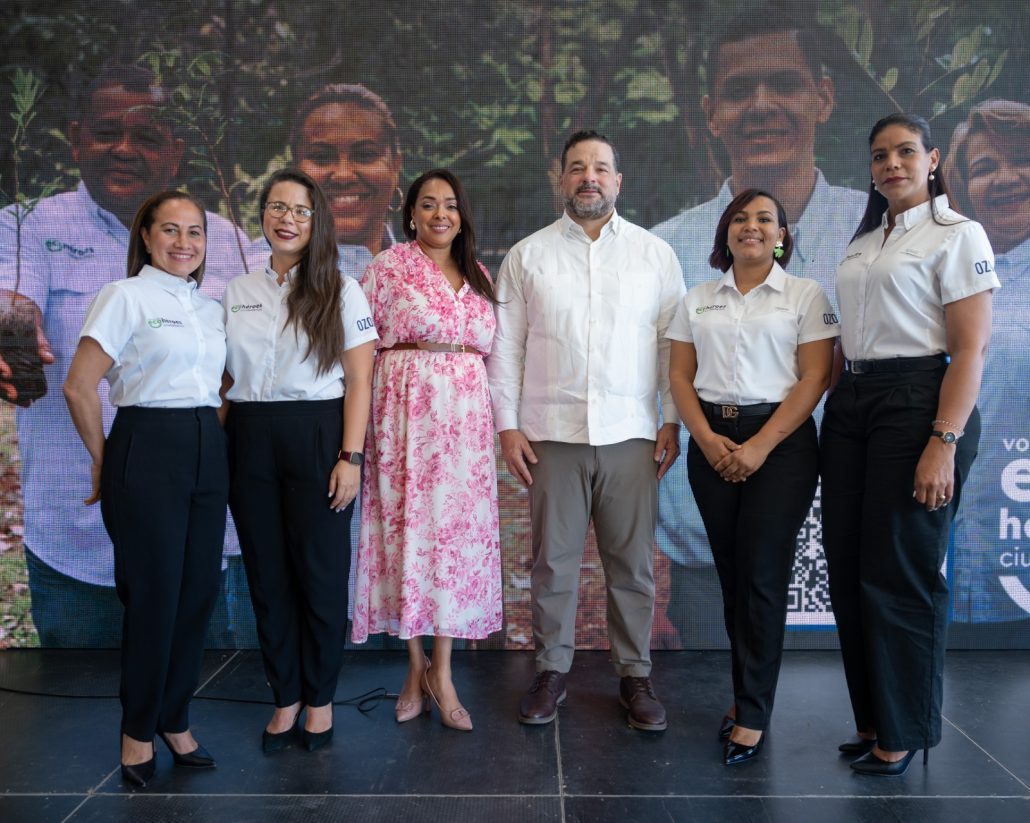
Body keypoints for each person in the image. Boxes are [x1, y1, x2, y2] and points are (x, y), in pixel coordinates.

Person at [0, 63, 260, 648]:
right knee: (78, 717)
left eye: (146, 137)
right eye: (105, 131)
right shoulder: (24, 230)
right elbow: (9, 299)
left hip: (206, 536)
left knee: (203, 703)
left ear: (176, 150)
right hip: (80, 539)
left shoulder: (227, 244)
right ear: (75, 138)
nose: (124, 149)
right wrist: (9, 321)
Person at [650, 15, 867, 647]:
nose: (763, 106)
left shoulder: (871, 231)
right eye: (742, 90)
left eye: (784, 84)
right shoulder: (671, 247)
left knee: (828, 718)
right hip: (714, 541)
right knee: (712, 716)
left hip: (844, 530)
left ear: (822, 98)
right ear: (713, 112)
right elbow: (666, 381)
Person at [488, 130, 685, 731]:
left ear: (619, 181)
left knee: (632, 565)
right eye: (577, 168)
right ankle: (551, 672)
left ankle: (635, 676)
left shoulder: (655, 255)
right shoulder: (528, 256)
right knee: (553, 564)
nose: (589, 177)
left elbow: (671, 348)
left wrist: (671, 419)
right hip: (552, 435)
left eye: (601, 167)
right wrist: (508, 427)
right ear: (561, 179)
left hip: (631, 434)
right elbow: (506, 350)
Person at [822, 113, 998, 776]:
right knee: (849, 568)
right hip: (855, 403)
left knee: (900, 573)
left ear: (931, 160)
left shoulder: (958, 233)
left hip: (920, 400)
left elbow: (970, 347)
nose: (891, 163)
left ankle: (905, 729)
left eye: (904, 152)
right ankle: (873, 719)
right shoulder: (866, 240)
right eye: (879, 155)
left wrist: (943, 440)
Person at [63, 191, 228, 787]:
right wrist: (108, 462)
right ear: (147, 237)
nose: (184, 242)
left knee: (197, 595)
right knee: (155, 599)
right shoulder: (124, 296)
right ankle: (137, 731)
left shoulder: (209, 309)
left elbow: (221, 387)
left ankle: (174, 719)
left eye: (195, 232)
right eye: (171, 230)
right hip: (145, 445)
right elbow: (80, 386)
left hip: (206, 449)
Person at [667, 189, 837, 764]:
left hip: (782, 447)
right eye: (740, 218)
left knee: (762, 576)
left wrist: (761, 446)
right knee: (734, 577)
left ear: (782, 235)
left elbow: (814, 379)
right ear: (725, 234)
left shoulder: (805, 295)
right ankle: (746, 696)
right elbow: (680, 379)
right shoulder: (697, 299)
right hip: (711, 444)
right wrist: (709, 440)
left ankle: (754, 714)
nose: (752, 226)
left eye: (765, 218)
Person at [222, 169, 376, 752]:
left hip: (317, 433)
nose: (287, 218)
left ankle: (320, 701)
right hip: (249, 435)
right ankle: (284, 697)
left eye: (301, 211)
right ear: (263, 215)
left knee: (319, 573)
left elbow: (360, 379)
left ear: (318, 223)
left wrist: (351, 457)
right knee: (266, 574)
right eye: (276, 207)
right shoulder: (236, 293)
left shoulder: (342, 288)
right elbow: (226, 379)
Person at [352, 169, 502, 731]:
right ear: (410, 214)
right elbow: (361, 352)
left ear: (462, 215)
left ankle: (443, 671)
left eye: (451, 205)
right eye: (428, 204)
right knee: (407, 540)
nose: (441, 214)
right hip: (404, 427)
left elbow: (491, 355)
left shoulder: (480, 274)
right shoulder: (386, 268)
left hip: (465, 435)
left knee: (454, 549)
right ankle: (415, 668)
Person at [946, 100, 1030, 643]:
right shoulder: (945, 275)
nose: (1006, 179)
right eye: (984, 168)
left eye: (1021, 160)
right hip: (953, 560)